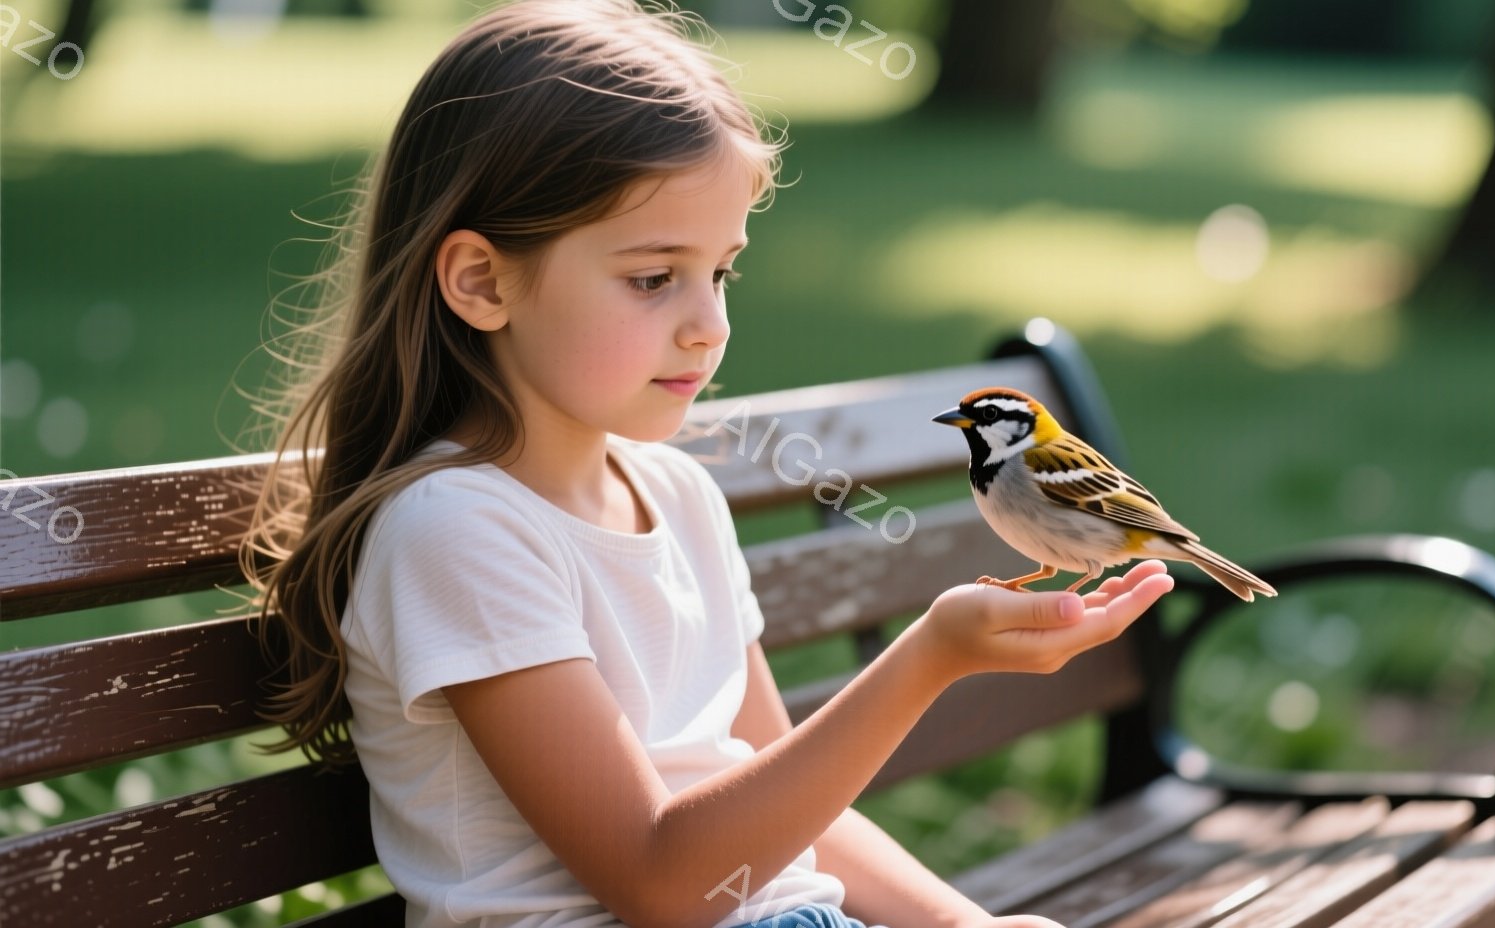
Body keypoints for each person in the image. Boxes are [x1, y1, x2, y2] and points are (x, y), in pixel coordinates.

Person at [236, 2, 1176, 926]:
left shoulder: (677, 492)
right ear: (483, 281)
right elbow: (661, 884)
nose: (709, 324)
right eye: (653, 278)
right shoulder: (458, 533)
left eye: (720, 271)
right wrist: (928, 659)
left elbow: (792, 811)